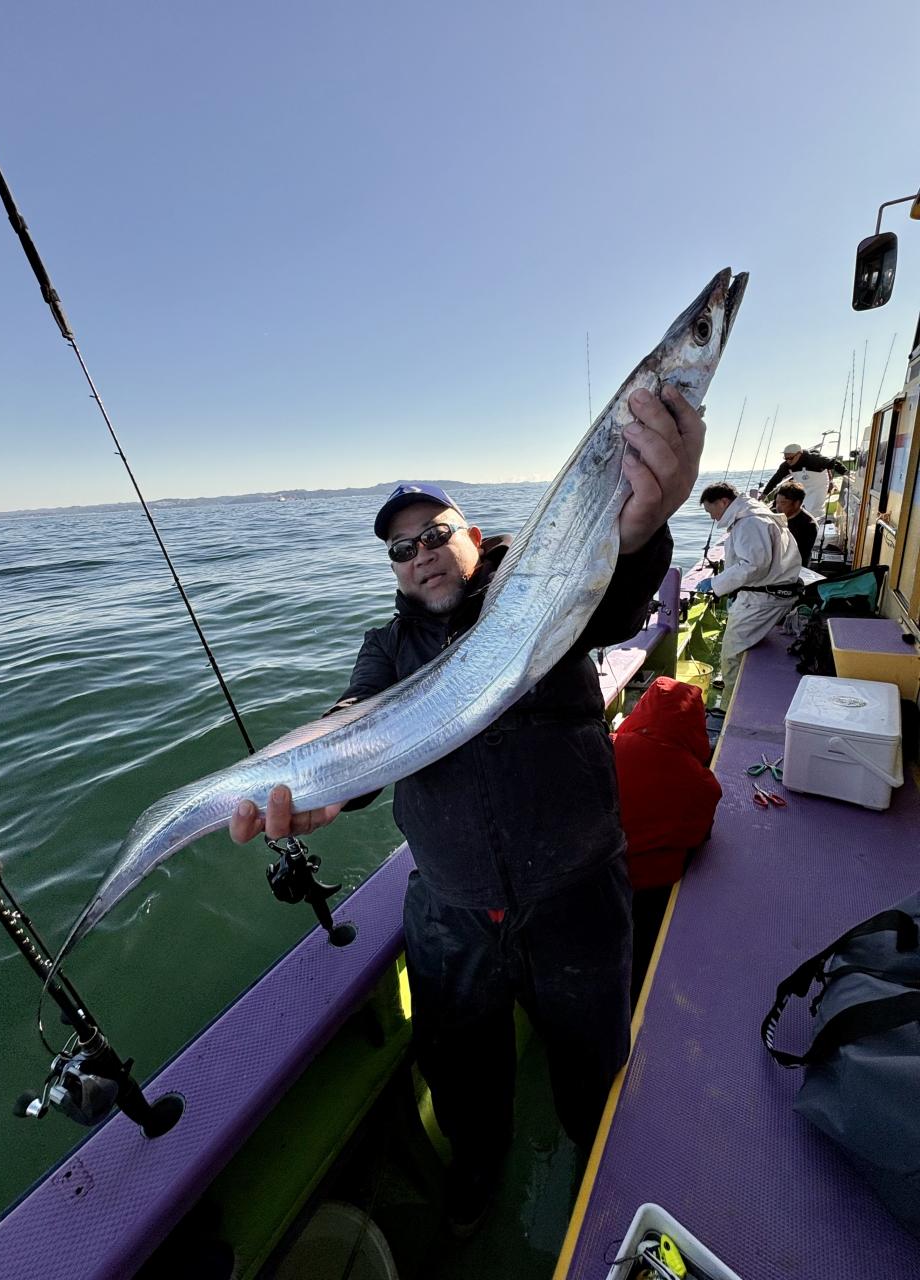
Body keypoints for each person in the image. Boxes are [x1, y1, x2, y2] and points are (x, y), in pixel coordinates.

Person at [230, 385, 705, 1235]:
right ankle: (477, 1182)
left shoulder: (542, 597)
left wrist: (638, 533)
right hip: (451, 918)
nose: (420, 555)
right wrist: (323, 779)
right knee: (463, 1082)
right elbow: (358, 719)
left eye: (435, 534)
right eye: (401, 548)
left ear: (473, 539)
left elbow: (620, 596)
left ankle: (602, 1191)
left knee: (595, 1073)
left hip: (576, 901)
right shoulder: (385, 648)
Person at [612, 677, 722, 1007]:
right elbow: (699, 834)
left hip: (602, 881)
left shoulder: (606, 749)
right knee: (643, 956)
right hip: (654, 891)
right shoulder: (700, 782)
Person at [696, 482, 801, 706]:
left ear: (723, 502)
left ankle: (731, 708)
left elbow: (753, 565)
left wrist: (715, 583)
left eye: (710, 510)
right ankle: (736, 697)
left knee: (732, 654)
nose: (711, 517)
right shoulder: (754, 513)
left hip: (763, 599)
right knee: (739, 649)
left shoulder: (749, 522)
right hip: (768, 592)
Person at [760, 442, 847, 521]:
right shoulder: (786, 465)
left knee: (814, 509)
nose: (788, 461)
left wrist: (846, 473)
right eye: (786, 458)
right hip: (803, 486)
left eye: (790, 458)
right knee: (802, 508)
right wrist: (764, 494)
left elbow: (833, 462)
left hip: (819, 485)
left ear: (799, 454)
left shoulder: (813, 459)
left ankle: (818, 524)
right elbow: (775, 479)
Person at [774, 481, 818, 566]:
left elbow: (798, 556)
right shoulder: (776, 515)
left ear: (797, 503)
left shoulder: (809, 526)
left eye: (783, 503)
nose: (778, 507)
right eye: (777, 502)